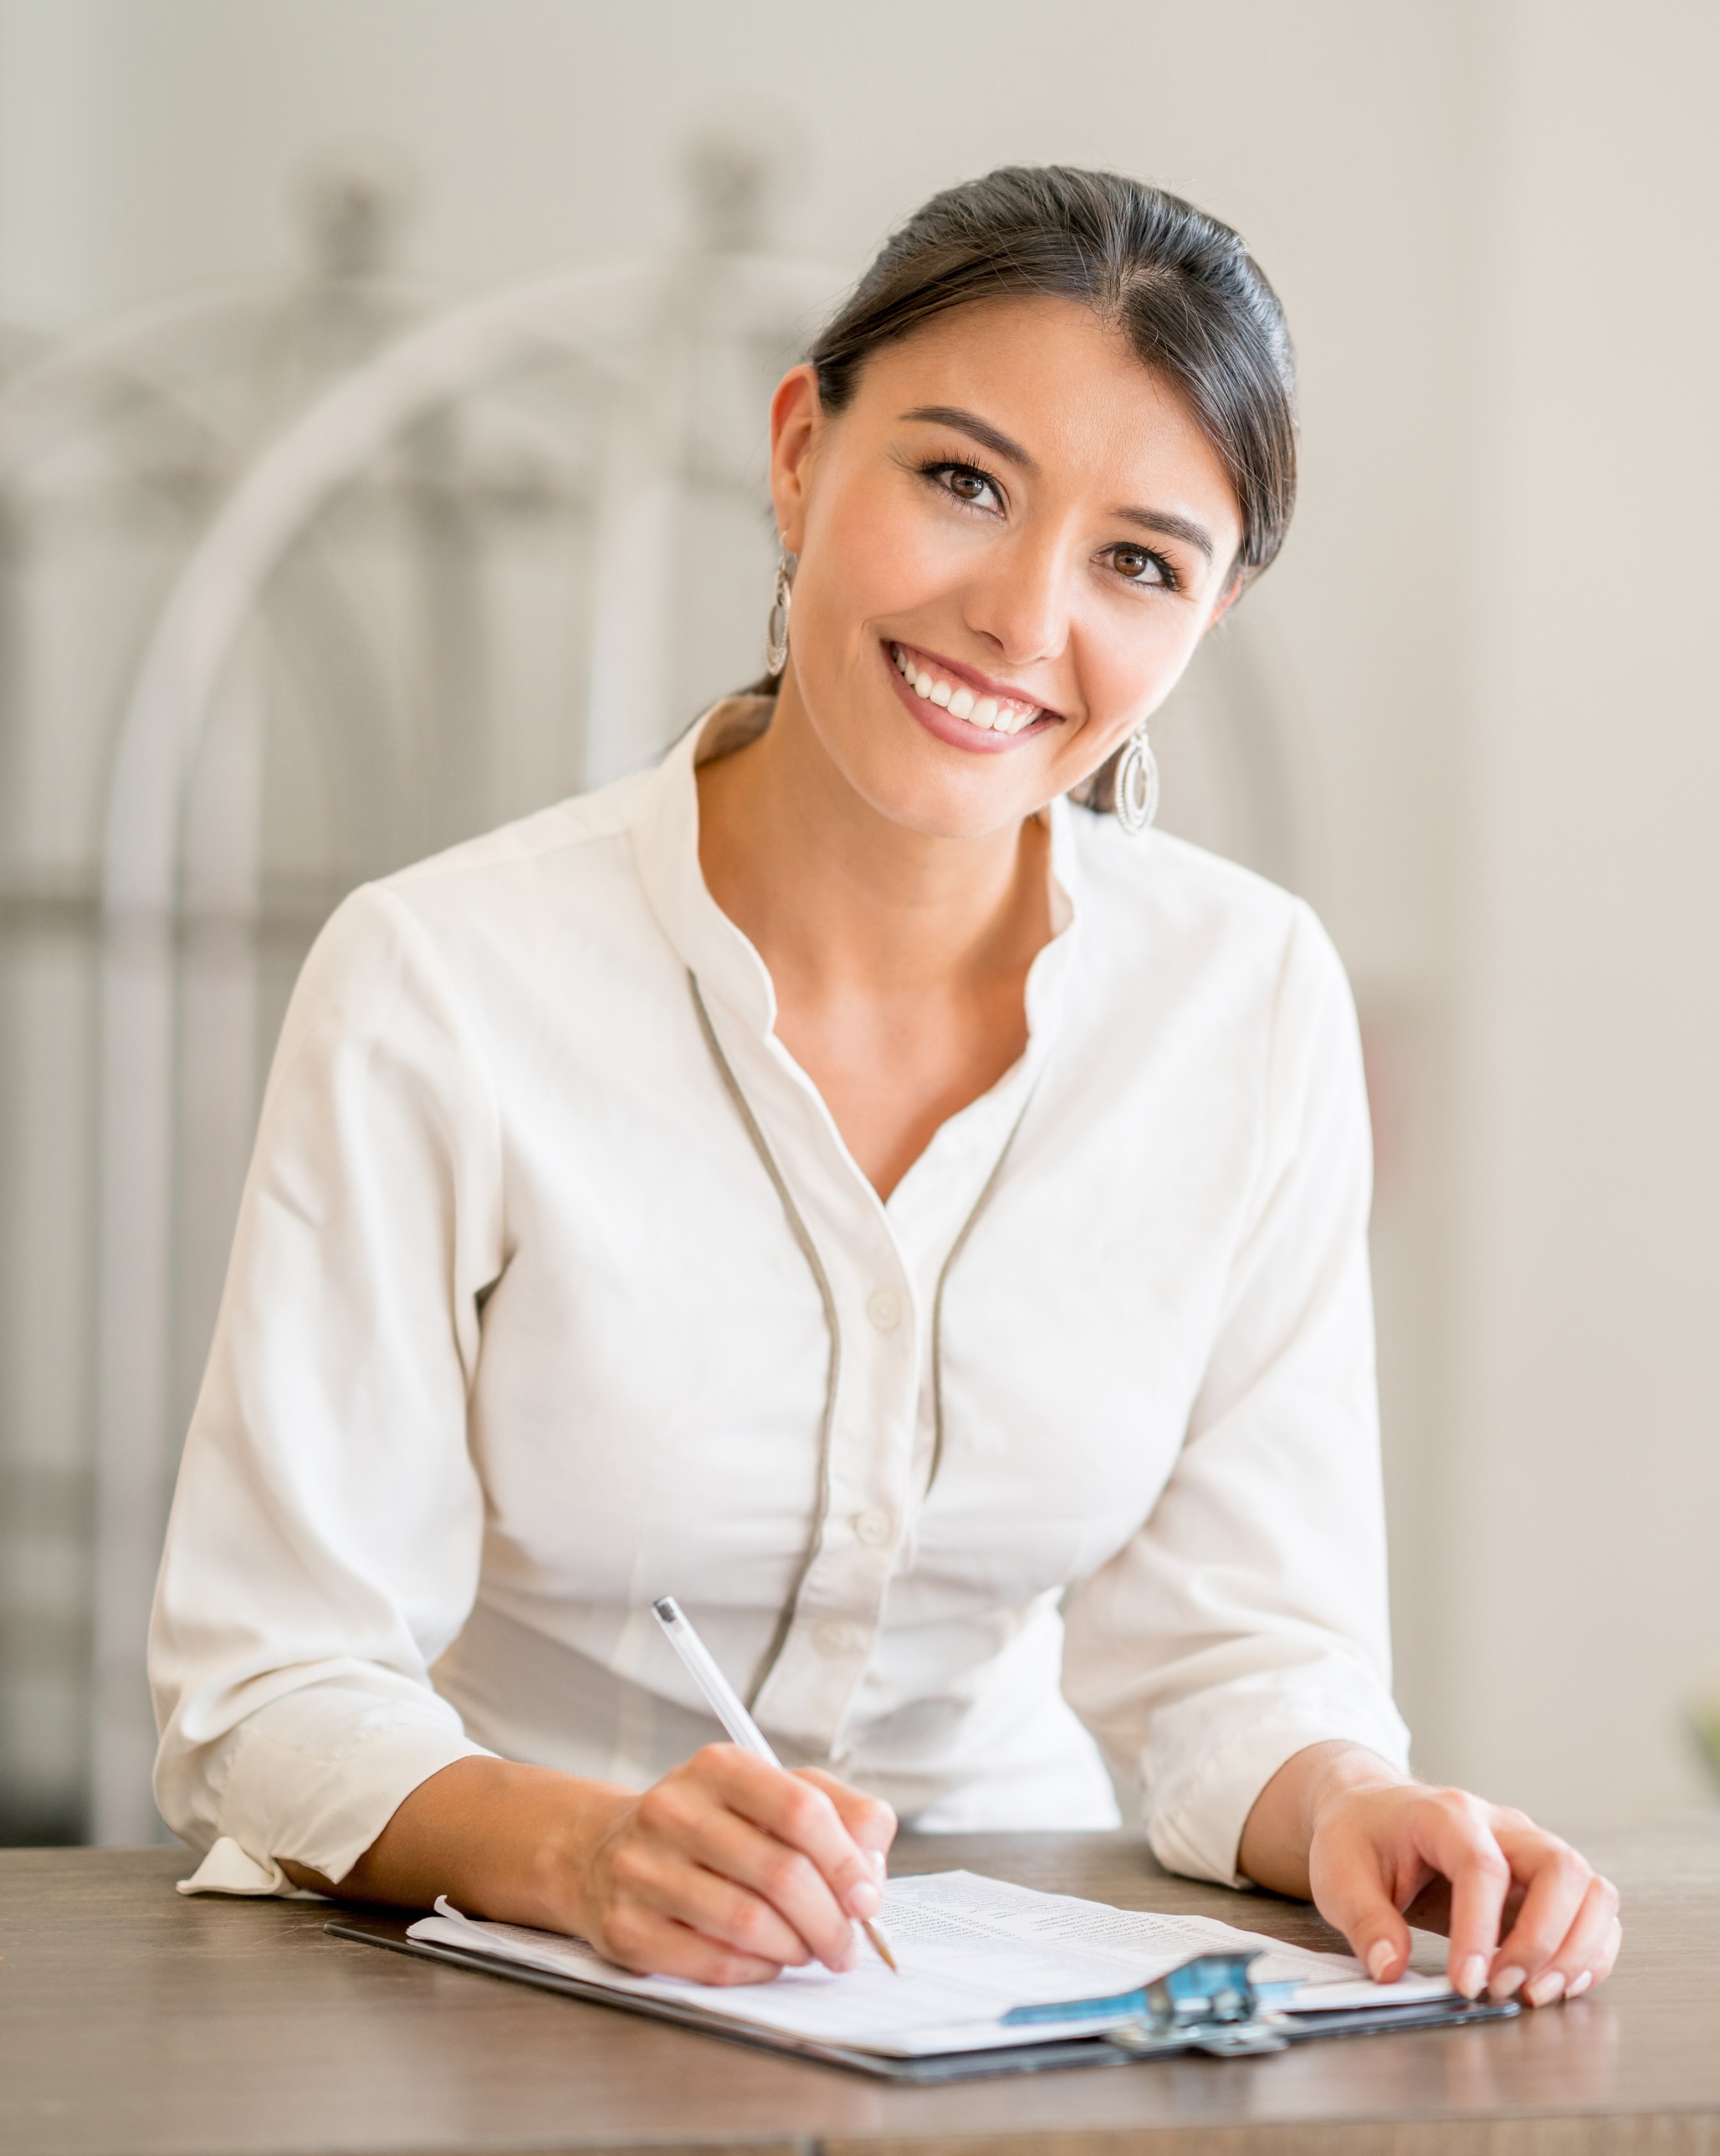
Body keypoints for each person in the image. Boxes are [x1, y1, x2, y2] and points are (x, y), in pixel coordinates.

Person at [151, 166, 1619, 2006]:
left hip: (1011, 1989)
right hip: (489, 1964)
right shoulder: (440, 977)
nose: (1018, 615)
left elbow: (1235, 1655)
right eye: (958, 480)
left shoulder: (1244, 1001)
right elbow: (266, 1685)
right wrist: (582, 1849)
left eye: (1134, 561)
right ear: (794, 453)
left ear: (1202, 621)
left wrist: (1352, 1799)